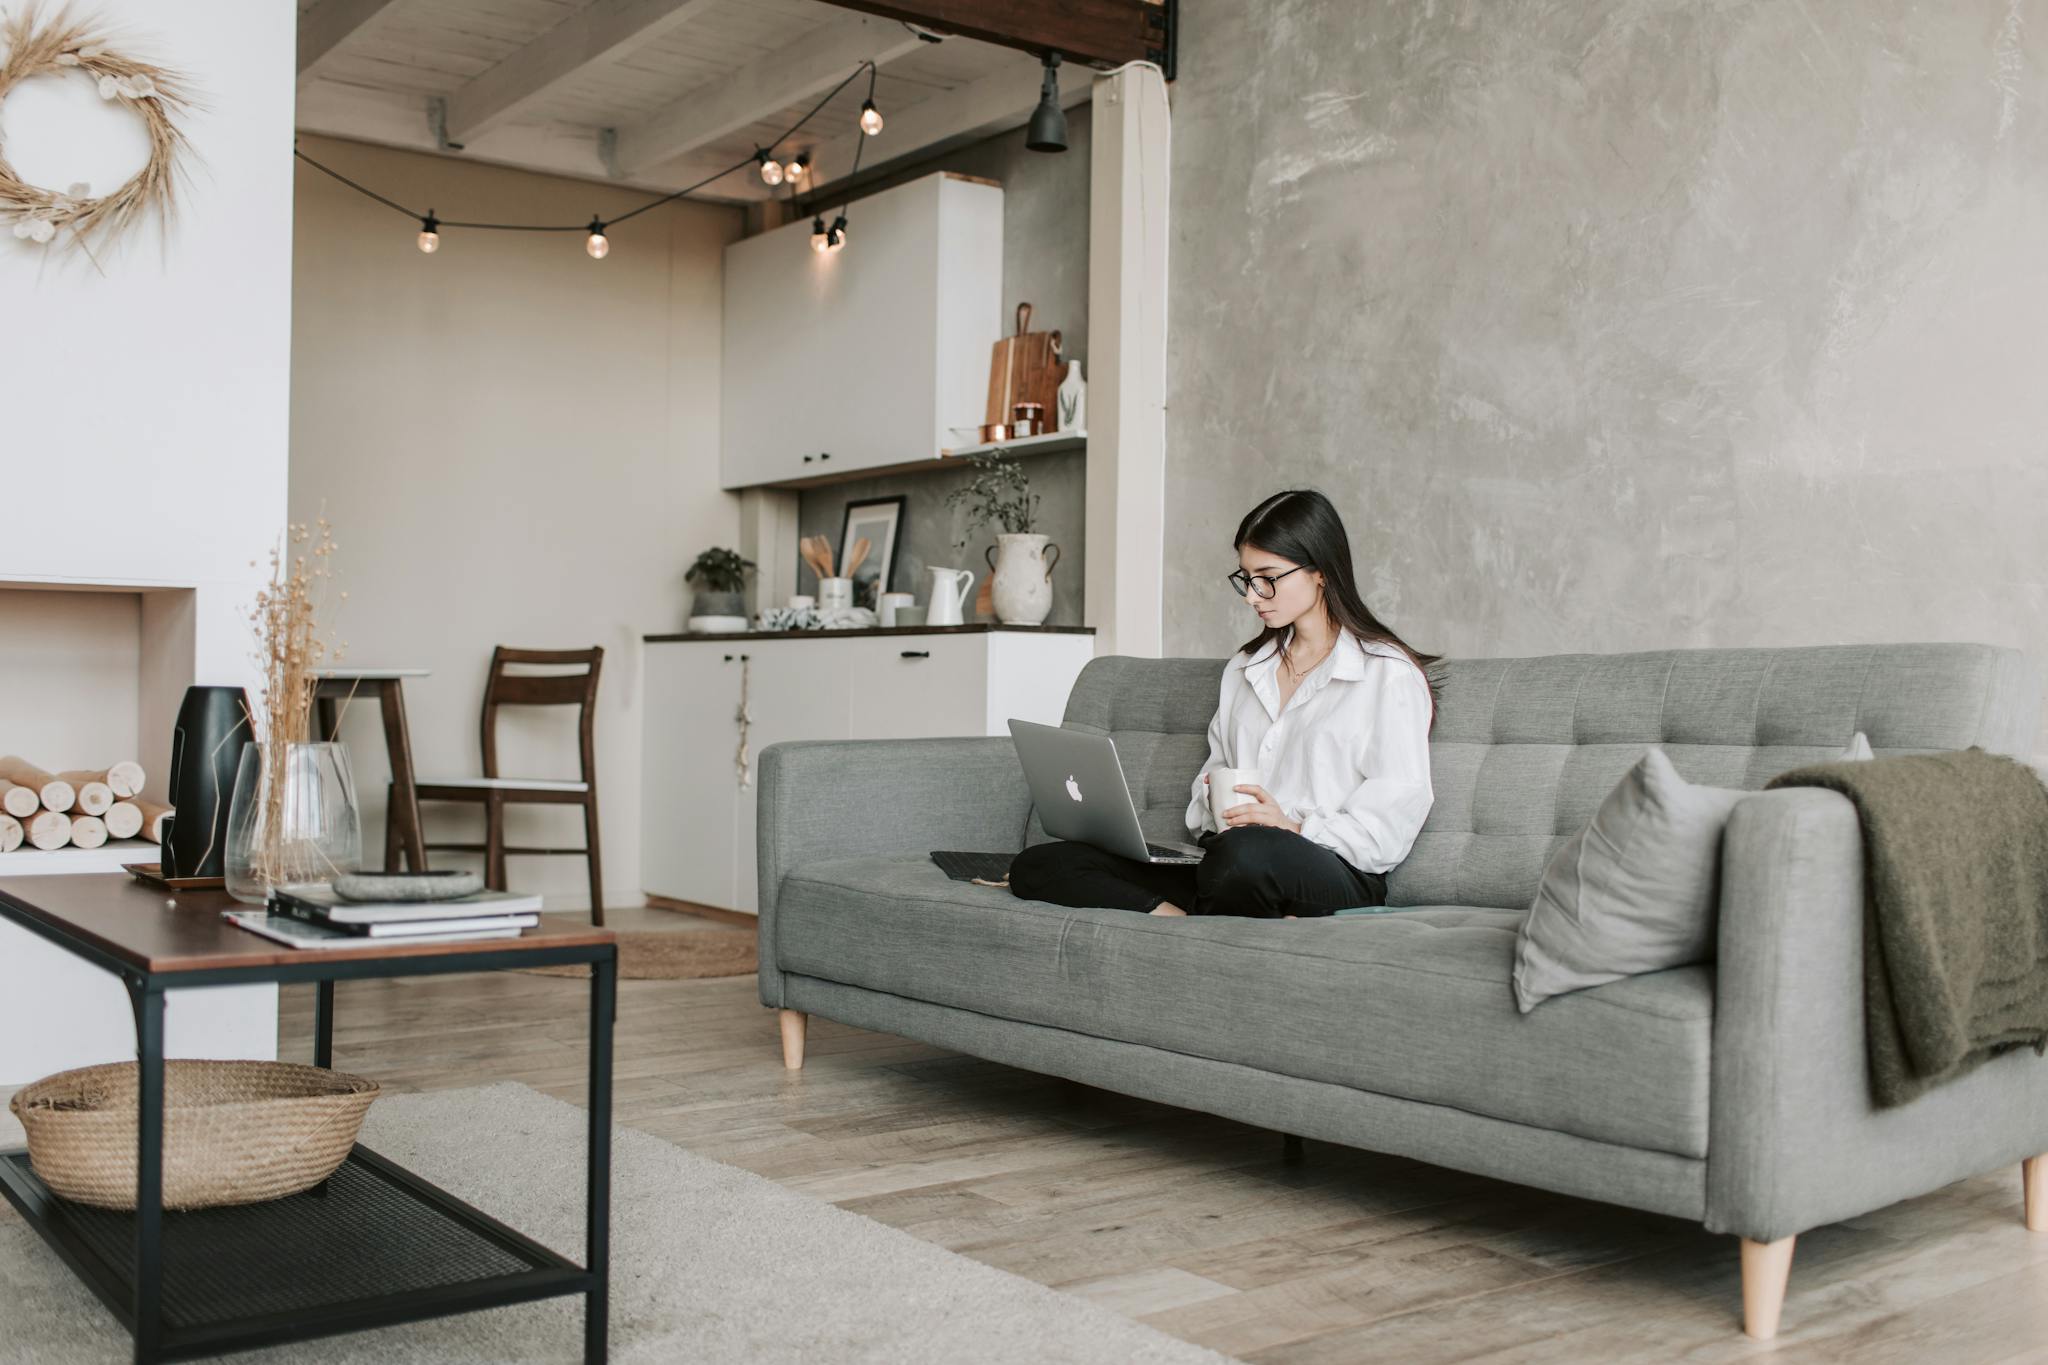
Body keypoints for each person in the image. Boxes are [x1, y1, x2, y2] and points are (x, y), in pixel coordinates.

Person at [1009, 489, 1438, 919]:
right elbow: (1212, 777)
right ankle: (1178, 921)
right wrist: (1214, 802)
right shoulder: (1246, 668)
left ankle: (1213, 909)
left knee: (1245, 856)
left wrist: (1292, 827)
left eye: (1268, 576)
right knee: (1042, 864)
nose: (1253, 596)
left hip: (1332, 868)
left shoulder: (1386, 673)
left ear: (1321, 571)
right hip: (1230, 861)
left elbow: (1391, 822)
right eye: (1246, 578)